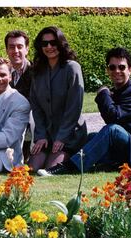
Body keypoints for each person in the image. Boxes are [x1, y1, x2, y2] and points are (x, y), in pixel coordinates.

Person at [37, 47, 131, 176]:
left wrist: (103, 93)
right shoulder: (117, 92)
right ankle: (81, 163)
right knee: (92, 137)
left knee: (111, 130)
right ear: (107, 70)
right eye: (112, 67)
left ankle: (70, 167)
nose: (117, 71)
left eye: (122, 67)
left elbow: (112, 118)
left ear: (130, 70)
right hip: (130, 145)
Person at [28, 26, 87, 172]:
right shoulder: (37, 71)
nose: (49, 47)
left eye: (53, 42)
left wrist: (62, 137)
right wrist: (41, 136)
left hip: (70, 134)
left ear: (60, 43)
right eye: (44, 44)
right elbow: (36, 107)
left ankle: (69, 157)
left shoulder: (72, 68)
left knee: (50, 169)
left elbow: (74, 107)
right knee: (31, 169)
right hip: (46, 134)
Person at [0, 30, 34, 162]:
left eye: (20, 47)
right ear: (6, 50)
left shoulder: (36, 72)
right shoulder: (1, 71)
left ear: (27, 49)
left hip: (27, 119)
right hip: (3, 118)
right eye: (11, 47)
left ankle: (18, 158)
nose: (15, 51)